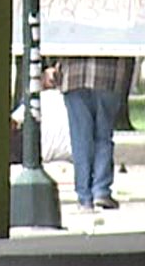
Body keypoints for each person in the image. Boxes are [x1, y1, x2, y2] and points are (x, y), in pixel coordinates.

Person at [46, 56, 125, 210]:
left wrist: (52, 65)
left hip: (74, 75)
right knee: (103, 137)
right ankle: (101, 191)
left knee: (80, 139)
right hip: (107, 74)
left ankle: (84, 197)